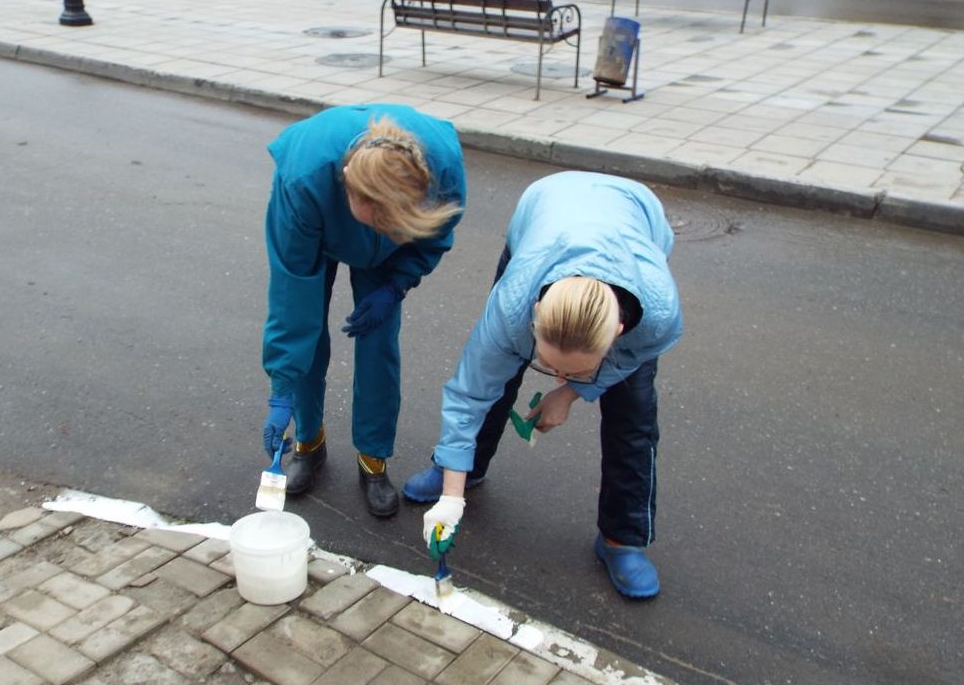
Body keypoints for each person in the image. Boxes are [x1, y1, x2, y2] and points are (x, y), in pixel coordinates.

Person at [403, 171, 682, 597]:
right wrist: (451, 499)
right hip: (544, 213)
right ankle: (461, 469)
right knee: (499, 375)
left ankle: (621, 539)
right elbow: (470, 393)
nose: (556, 377)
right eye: (550, 365)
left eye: (575, 369)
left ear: (619, 332)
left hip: (633, 217)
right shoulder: (515, 303)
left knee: (634, 414)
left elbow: (628, 363)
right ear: (535, 312)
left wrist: (573, 393)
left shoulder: (656, 312)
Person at [261, 104, 465, 517]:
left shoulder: (442, 165)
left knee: (379, 343)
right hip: (318, 224)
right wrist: (281, 387)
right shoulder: (304, 181)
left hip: (392, 251)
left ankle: (373, 458)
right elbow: (290, 297)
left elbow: (436, 234)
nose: (377, 232)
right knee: (309, 332)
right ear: (349, 189)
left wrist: (397, 283)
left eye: (391, 225)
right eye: (375, 223)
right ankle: (308, 441)